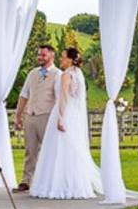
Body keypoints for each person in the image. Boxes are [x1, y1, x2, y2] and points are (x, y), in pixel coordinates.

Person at [30, 48, 102, 199]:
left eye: (63, 57)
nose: (61, 60)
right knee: (72, 150)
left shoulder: (66, 74)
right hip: (76, 117)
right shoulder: (79, 74)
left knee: (57, 150)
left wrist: (61, 117)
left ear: (70, 59)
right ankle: (74, 185)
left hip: (64, 113)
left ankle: (57, 185)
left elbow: (64, 98)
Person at [13, 44, 60, 192]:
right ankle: (26, 181)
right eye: (39, 54)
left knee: (49, 150)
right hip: (30, 116)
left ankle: (48, 181)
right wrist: (18, 115)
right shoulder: (32, 73)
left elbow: (60, 98)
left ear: (52, 56)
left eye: (43, 55)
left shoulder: (58, 74)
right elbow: (24, 94)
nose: (40, 57)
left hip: (47, 115)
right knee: (30, 150)